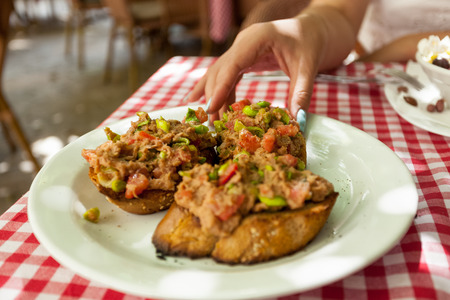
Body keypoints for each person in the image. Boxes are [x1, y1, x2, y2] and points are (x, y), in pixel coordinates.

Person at [188, 0, 450, 129]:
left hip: (378, 65)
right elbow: (339, 12)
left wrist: (396, 48)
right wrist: (303, 30)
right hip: (376, 92)